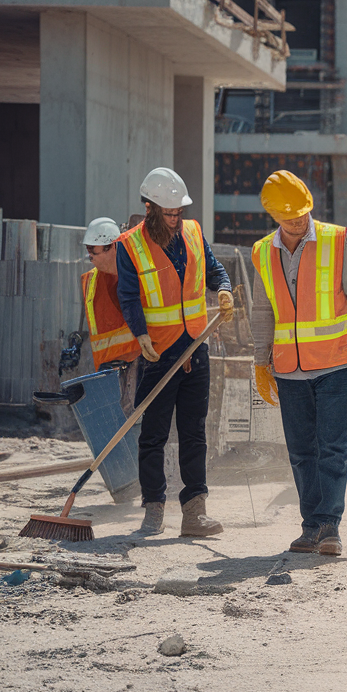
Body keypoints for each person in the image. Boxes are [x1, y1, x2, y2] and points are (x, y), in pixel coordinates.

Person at [250, 170, 347, 556]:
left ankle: (330, 526)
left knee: (333, 446)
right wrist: (261, 361)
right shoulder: (263, 252)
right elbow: (262, 310)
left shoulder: (335, 240)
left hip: (334, 364)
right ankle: (310, 526)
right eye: (289, 215)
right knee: (300, 450)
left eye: (302, 212)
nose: (298, 220)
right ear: (274, 215)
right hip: (289, 369)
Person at [116, 167, 234, 537]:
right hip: (159, 354)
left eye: (178, 210)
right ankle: (153, 509)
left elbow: (213, 270)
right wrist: (141, 335)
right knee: (152, 435)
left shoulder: (194, 232)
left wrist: (225, 288)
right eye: (168, 211)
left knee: (194, 431)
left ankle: (194, 512)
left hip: (196, 347)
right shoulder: (129, 245)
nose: (175, 217)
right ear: (150, 208)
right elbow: (129, 296)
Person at [81, 217, 140, 371]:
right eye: (88, 250)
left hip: (137, 363)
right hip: (108, 367)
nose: (90, 256)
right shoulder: (92, 280)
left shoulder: (136, 274)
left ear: (111, 247)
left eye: (93, 250)